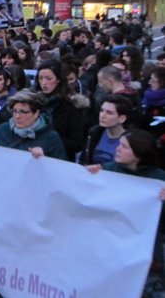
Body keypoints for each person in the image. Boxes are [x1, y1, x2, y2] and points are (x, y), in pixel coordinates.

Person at [86, 130, 165, 277]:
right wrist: (86, 176)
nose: (117, 149)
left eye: (124, 146)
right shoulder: (107, 171)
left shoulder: (159, 180)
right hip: (109, 250)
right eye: (119, 144)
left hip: (145, 254)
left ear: (139, 154)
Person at [0, 89, 67, 160]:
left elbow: (61, 171)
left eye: (24, 112)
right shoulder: (3, 130)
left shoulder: (51, 137)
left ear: (36, 113)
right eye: (15, 111)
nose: (17, 116)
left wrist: (44, 160)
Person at [34, 60, 85, 161]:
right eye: (40, 78)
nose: (44, 83)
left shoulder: (72, 107)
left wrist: (48, 141)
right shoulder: (33, 102)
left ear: (58, 80)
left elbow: (77, 144)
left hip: (59, 161)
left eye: (49, 78)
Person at [80, 95, 130, 165]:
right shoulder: (95, 132)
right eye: (101, 110)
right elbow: (84, 159)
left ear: (122, 118)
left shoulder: (130, 141)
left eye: (109, 113)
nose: (102, 115)